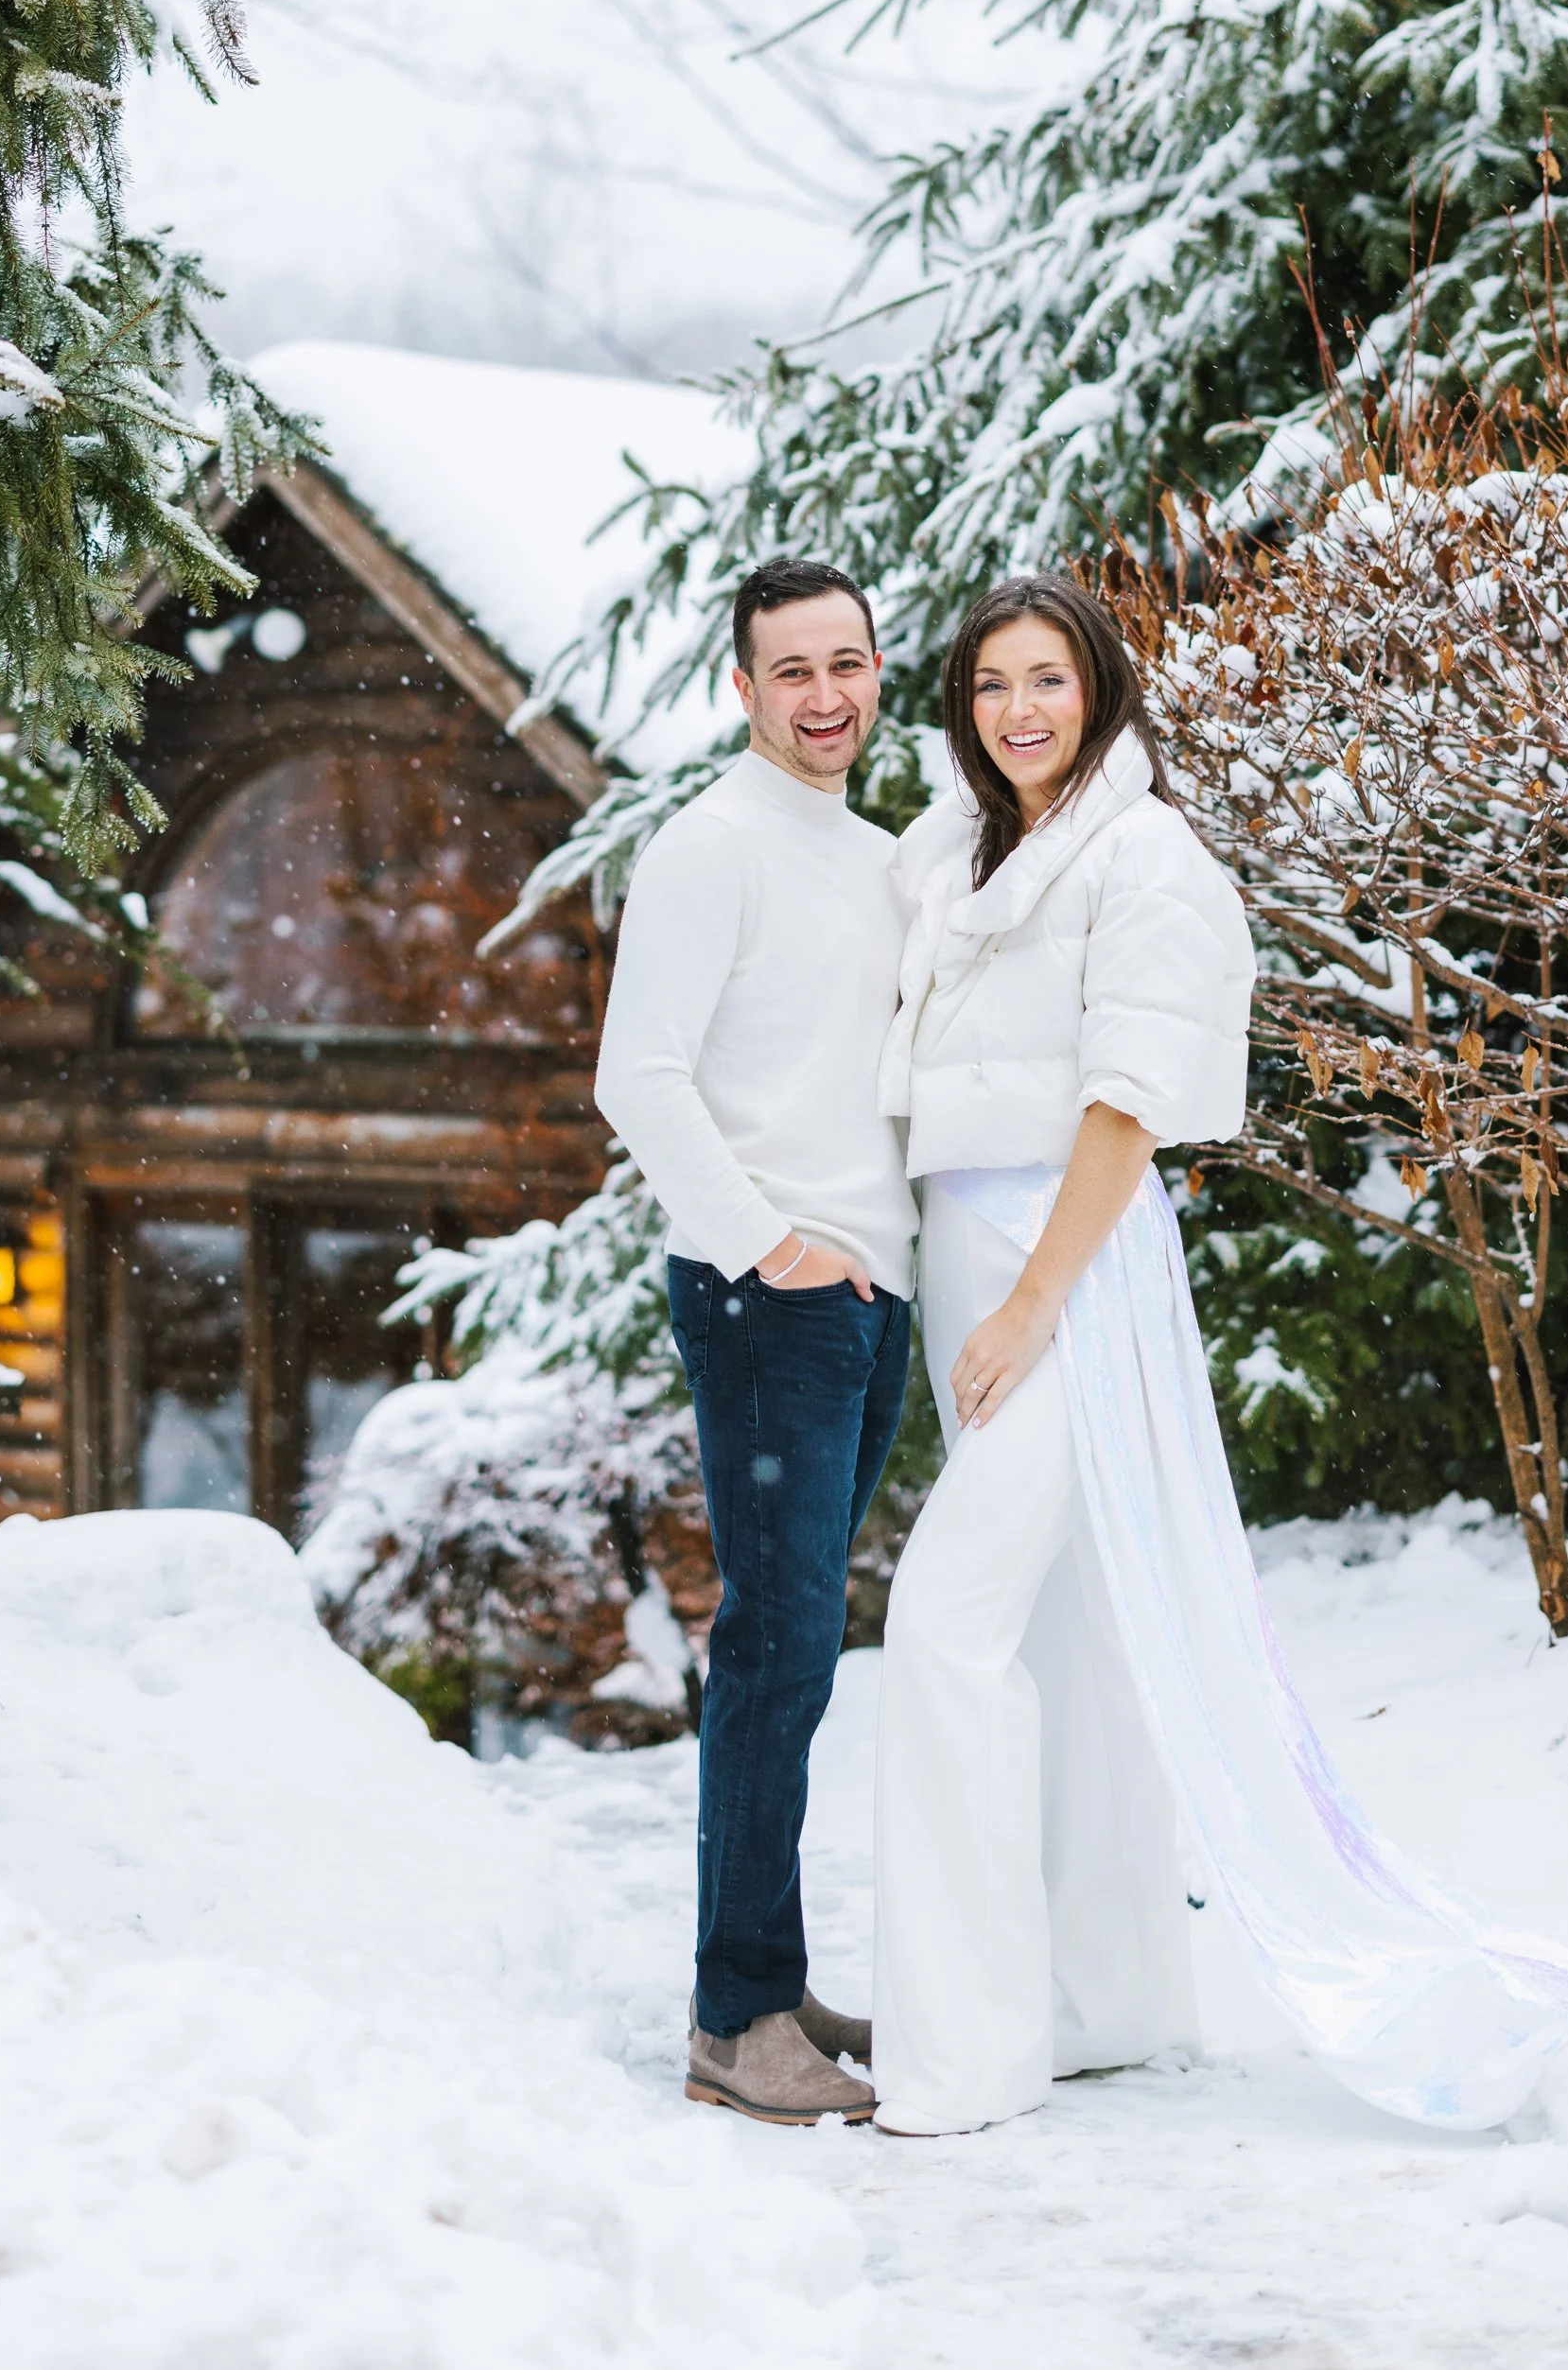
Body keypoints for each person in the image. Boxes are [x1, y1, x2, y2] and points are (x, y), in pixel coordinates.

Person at [870, 573, 1568, 2139]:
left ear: (1101, 690)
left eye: (1046, 679)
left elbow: (1126, 1101)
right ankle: (1105, 2003)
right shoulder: (960, 854)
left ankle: (961, 2057)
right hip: (961, 1253)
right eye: (987, 686)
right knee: (1061, 1634)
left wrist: (1036, 1303)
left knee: (944, 1630)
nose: (1016, 710)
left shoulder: (1143, 855)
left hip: (1068, 1266)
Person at [595, 554, 915, 2129]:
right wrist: (771, 1246)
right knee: (772, 1655)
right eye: (791, 670)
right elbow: (635, 1076)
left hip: (863, 1296)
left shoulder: (868, 858)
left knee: (796, 1661)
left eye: (846, 663)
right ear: (742, 687)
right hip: (768, 1295)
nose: (825, 696)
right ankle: (734, 2019)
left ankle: (773, 1975)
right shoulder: (707, 848)